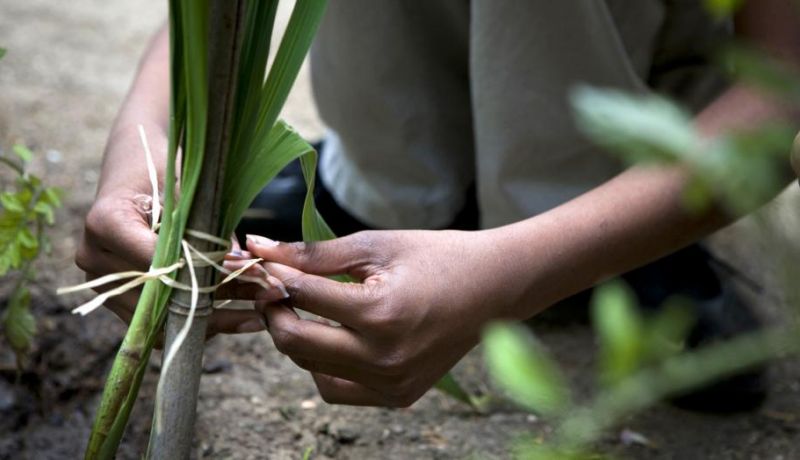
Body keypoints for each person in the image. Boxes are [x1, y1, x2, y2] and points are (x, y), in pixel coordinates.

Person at [77, 1, 800, 409]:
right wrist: (146, 144)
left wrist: (515, 272)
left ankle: (624, 229)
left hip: (639, 123)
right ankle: (379, 186)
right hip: (386, 134)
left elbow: (786, 75)